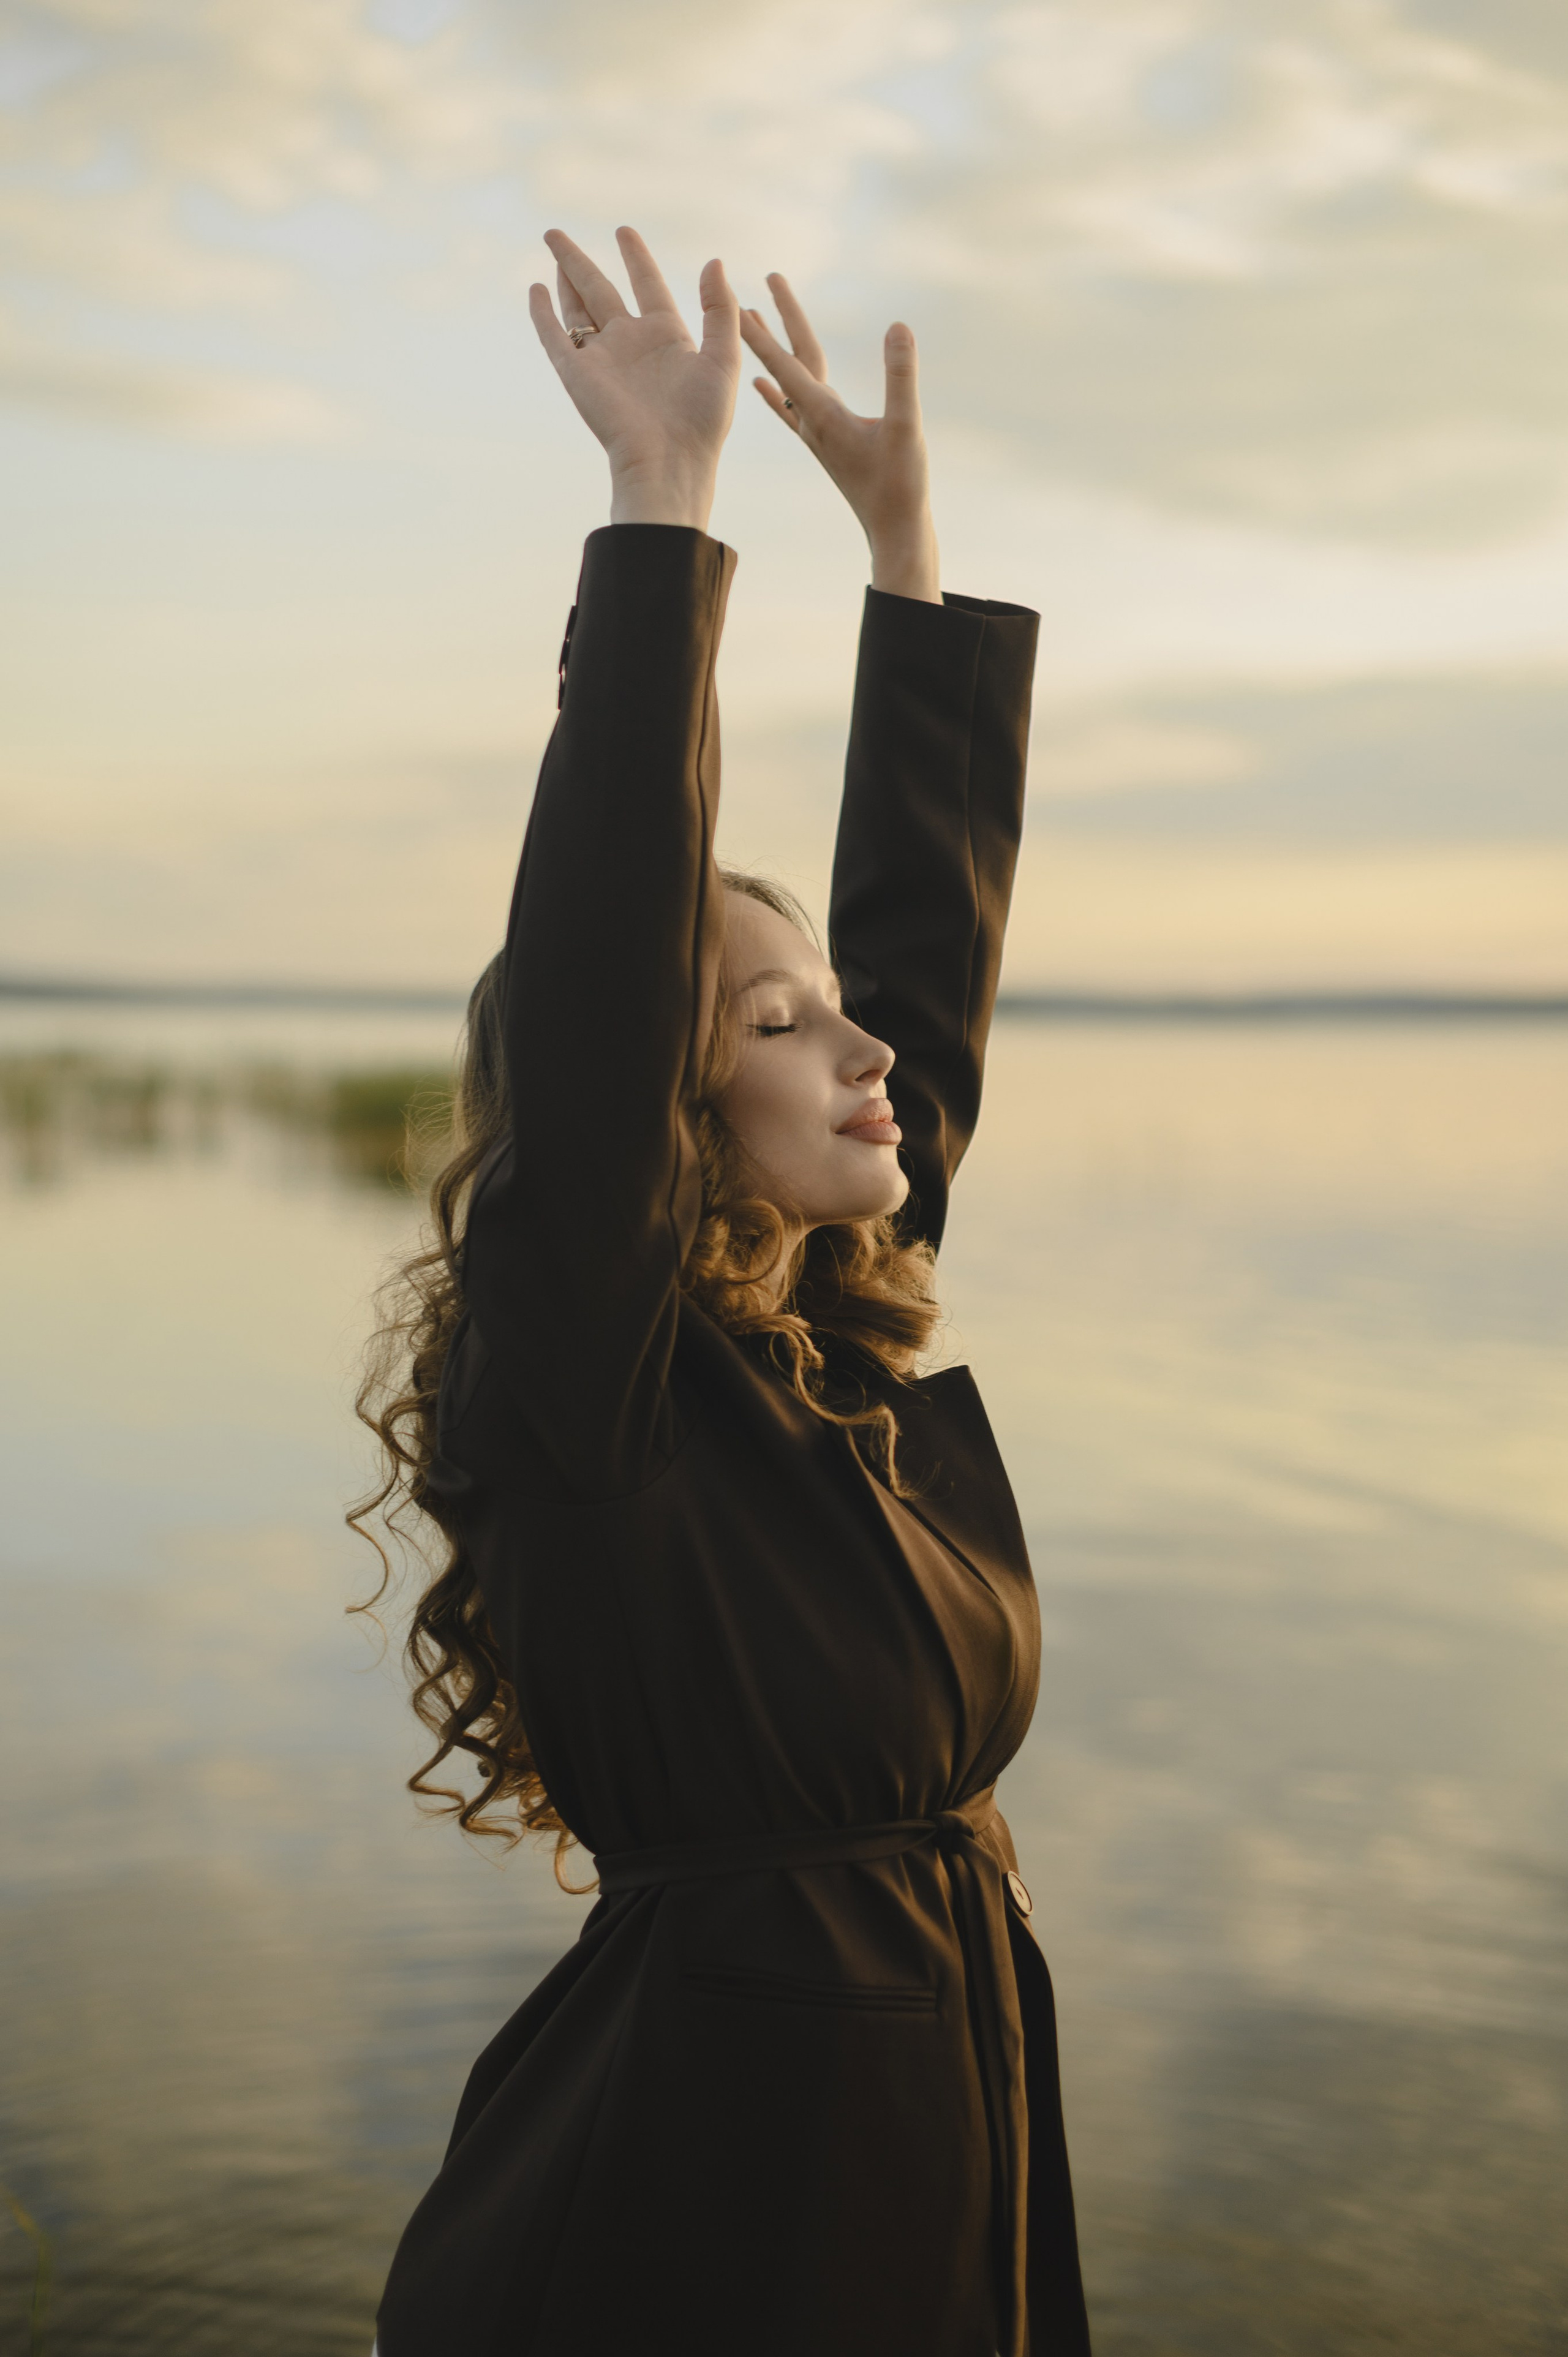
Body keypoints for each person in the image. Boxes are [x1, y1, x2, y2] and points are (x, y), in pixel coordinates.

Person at [358, 225, 1091, 2357]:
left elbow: (915, 1008)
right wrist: (660, 515)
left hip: (942, 2089)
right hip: (734, 2164)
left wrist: (905, 550)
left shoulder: (826, 1366)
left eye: (830, 1018)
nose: (862, 1058)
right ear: (658, 1106)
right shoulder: (588, 1383)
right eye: (777, 1024)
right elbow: (598, 957)